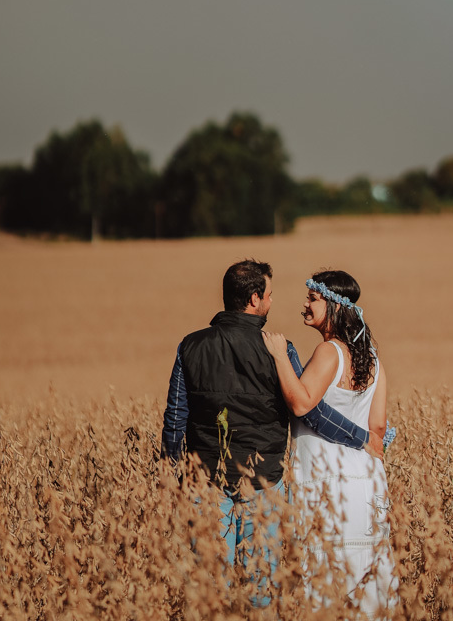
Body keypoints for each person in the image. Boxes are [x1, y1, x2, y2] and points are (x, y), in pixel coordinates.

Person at [160, 258, 382, 598]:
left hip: (205, 481)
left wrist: (169, 473)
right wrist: (361, 437)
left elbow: (175, 418)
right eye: (269, 295)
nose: (272, 301)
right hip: (265, 482)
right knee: (261, 589)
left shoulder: (190, 346)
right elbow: (312, 413)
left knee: (208, 592)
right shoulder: (280, 349)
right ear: (254, 299)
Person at [263, 269, 397, 619]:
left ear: (335, 306)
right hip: (367, 484)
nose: (305, 304)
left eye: (313, 298)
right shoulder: (374, 360)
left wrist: (280, 356)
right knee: (365, 577)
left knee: (325, 577)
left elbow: (301, 403)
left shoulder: (329, 351)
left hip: (327, 482)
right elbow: (378, 429)